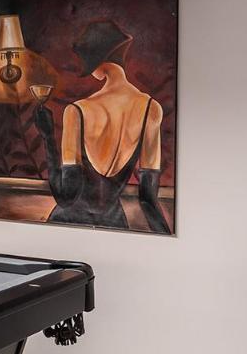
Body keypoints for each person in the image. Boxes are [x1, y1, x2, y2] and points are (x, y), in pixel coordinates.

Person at [32, 19, 171, 233]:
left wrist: (47, 136)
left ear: (96, 62)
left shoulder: (76, 112)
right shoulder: (152, 109)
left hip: (67, 225)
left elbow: (65, 197)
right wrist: (167, 239)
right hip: (114, 225)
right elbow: (148, 200)